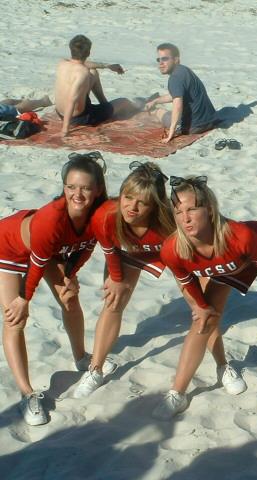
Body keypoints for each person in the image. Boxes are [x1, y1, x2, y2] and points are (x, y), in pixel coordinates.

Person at [154, 175, 257, 419]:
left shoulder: (240, 235)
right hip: (230, 265)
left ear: (209, 209)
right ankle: (178, 393)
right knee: (203, 320)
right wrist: (201, 307)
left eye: (192, 209)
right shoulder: (172, 249)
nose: (185, 218)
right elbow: (186, 281)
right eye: (178, 212)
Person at [0, 151, 114, 425]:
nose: (77, 194)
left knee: (70, 298)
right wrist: (23, 299)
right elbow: (37, 265)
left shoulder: (100, 215)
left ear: (98, 189)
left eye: (85, 188)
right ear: (63, 187)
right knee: (15, 317)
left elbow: (85, 248)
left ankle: (81, 357)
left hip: (48, 251)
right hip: (9, 249)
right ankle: (27, 394)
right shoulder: (52, 218)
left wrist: (70, 275)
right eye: (70, 187)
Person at [71, 161, 175, 398]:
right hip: (126, 252)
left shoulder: (171, 221)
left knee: (200, 304)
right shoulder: (105, 216)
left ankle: (221, 362)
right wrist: (117, 279)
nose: (132, 207)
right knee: (114, 301)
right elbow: (109, 252)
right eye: (128, 197)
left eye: (142, 202)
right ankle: (95, 369)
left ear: (155, 204)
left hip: (165, 250)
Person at [54, 34, 140, 137]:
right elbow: (71, 100)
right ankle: (135, 107)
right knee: (124, 102)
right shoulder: (82, 73)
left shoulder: (62, 63)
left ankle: (105, 105)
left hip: (60, 112)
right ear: (88, 53)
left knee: (93, 72)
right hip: (79, 118)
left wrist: (107, 66)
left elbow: (85, 64)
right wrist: (64, 130)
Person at [144, 43, 218, 143]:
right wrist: (155, 101)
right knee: (162, 108)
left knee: (159, 112)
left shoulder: (175, 78)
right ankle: (152, 106)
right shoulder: (184, 70)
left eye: (165, 59)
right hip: (211, 121)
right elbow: (176, 94)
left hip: (194, 127)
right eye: (159, 59)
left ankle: (153, 111)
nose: (161, 63)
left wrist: (172, 132)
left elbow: (177, 105)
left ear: (176, 60)